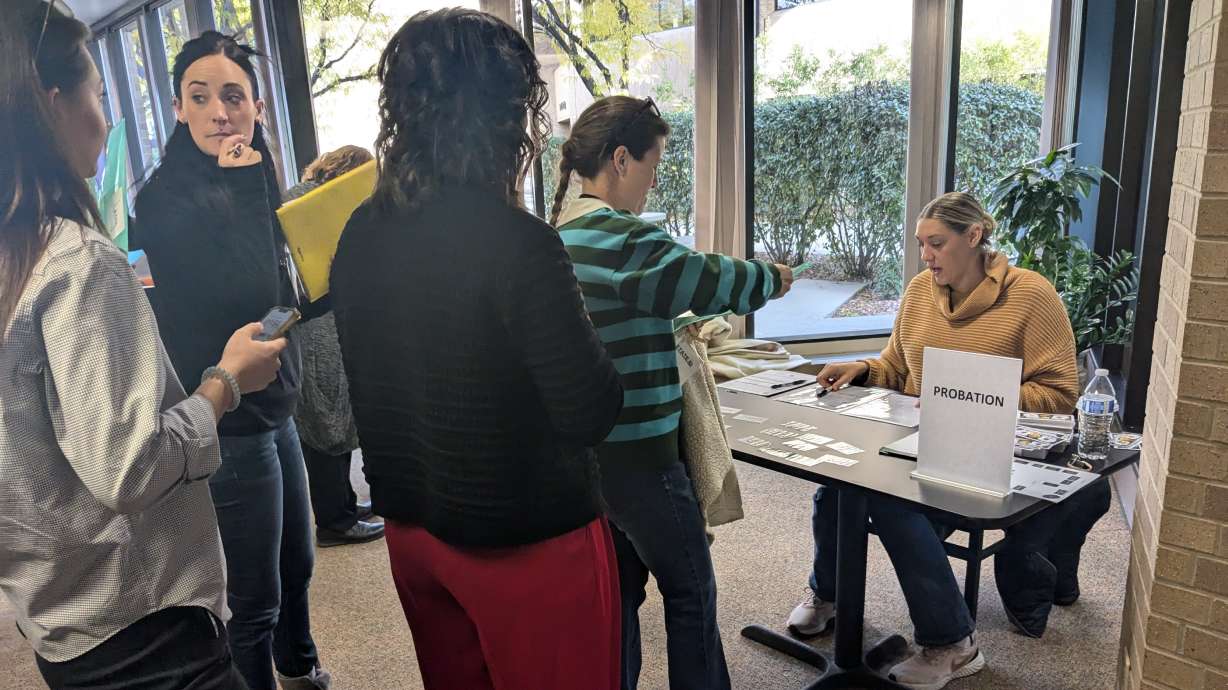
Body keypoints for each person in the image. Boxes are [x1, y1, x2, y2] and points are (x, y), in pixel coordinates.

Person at [330, 9, 625, 690]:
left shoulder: (358, 235)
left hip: (413, 533)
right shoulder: (519, 245)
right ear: (505, 119)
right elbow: (590, 412)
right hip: (526, 542)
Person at [0, 2, 285, 688]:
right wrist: (223, 381)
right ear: (53, 102)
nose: (104, 115)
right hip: (140, 615)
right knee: (257, 602)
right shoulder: (80, 258)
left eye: (236, 96)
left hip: (62, 616)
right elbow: (129, 466)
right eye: (99, 93)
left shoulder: (18, 251)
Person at [788, 192, 1104, 689]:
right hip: (919, 440)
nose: (926, 256)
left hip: (994, 453)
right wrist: (864, 368)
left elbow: (1060, 395)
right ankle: (828, 594)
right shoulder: (918, 292)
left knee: (893, 504)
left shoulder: (1031, 296)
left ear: (974, 237)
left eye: (936, 243)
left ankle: (953, 643)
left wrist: (971, 398)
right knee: (836, 483)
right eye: (921, 245)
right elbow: (897, 368)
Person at [551, 95, 794, 690]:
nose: (653, 184)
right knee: (690, 589)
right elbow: (695, 276)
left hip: (590, 455)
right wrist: (769, 278)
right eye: (654, 168)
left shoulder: (558, 233)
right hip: (639, 454)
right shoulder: (613, 235)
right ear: (620, 160)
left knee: (622, 592)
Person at [130, 31, 330, 690]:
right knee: (254, 597)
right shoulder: (162, 200)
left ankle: (299, 670)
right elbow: (246, 290)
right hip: (227, 419)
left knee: (298, 562)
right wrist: (249, 185)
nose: (221, 112)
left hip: (275, 406)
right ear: (179, 109)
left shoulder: (258, 176)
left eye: (234, 97)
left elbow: (280, 288)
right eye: (201, 96)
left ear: (256, 106)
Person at [284, 146, 384, 548]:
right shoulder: (301, 199)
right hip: (313, 325)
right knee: (324, 420)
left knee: (337, 418)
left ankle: (343, 504)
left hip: (326, 320)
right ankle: (334, 519)